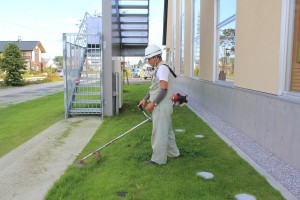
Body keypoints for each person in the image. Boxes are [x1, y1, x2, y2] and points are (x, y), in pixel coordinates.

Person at [138, 44, 180, 165]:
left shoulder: (162, 68)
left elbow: (163, 89)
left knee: (159, 133)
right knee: (167, 130)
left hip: (161, 106)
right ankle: (173, 153)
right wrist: (145, 99)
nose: (148, 61)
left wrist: (153, 103)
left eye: (149, 59)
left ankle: (158, 160)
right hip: (164, 105)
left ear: (156, 57)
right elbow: (154, 88)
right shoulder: (160, 67)